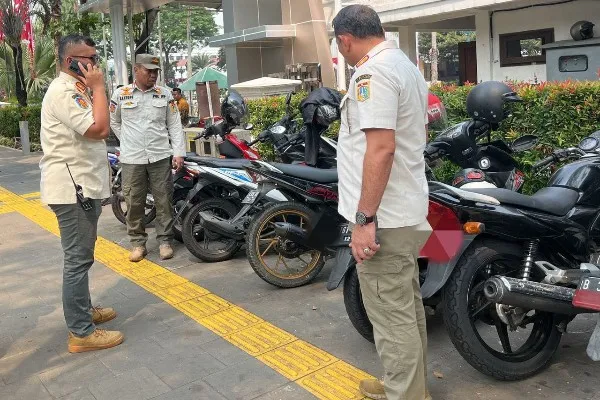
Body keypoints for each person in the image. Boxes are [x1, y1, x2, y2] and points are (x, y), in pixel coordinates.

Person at [334, 5, 432, 400]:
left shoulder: (372, 73)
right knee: (406, 308)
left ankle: (405, 395)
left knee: (391, 318)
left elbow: (380, 150)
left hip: (385, 220)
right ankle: (408, 386)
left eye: (340, 48)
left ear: (345, 39)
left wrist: (363, 219)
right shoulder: (405, 65)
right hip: (405, 212)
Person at [40, 34, 124, 353]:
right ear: (69, 61)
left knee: (81, 255)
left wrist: (95, 89)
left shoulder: (76, 89)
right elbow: (100, 129)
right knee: (77, 259)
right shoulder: (63, 92)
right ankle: (81, 332)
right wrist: (100, 88)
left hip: (80, 186)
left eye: (95, 56)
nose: (94, 63)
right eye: (87, 58)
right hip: (72, 189)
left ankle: (84, 312)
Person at [110, 54, 186, 262]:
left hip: (160, 156)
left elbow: (174, 125)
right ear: (136, 70)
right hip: (132, 158)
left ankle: (164, 241)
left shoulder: (165, 95)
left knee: (164, 200)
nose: (153, 75)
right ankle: (137, 243)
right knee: (134, 201)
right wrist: (126, 140)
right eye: (148, 71)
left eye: (155, 71)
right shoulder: (120, 95)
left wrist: (178, 152)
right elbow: (114, 121)